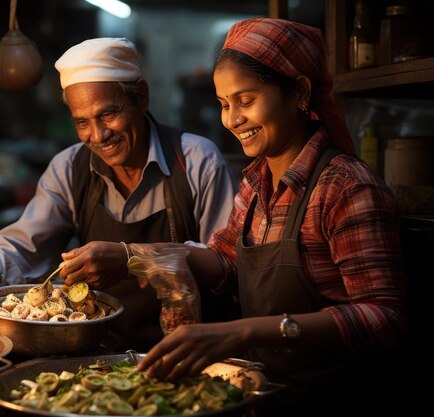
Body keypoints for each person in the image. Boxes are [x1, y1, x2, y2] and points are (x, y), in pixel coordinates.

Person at [127, 18, 407, 415]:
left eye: (246, 99)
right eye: (224, 104)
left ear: (300, 93)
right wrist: (133, 256)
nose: (232, 119)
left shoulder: (346, 188)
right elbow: (225, 261)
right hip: (263, 393)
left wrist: (244, 332)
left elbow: (386, 317)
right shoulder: (255, 181)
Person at [0, 37, 238, 349]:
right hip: (100, 350)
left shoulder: (196, 161)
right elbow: (24, 245)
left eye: (108, 115)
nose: (98, 135)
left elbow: (225, 264)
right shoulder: (70, 168)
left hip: (189, 350)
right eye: (82, 122)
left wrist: (132, 258)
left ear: (141, 97)